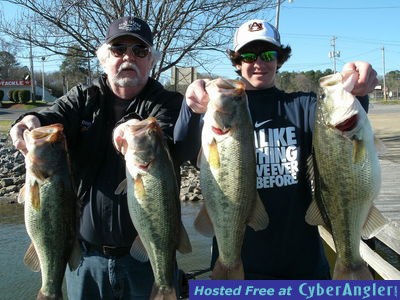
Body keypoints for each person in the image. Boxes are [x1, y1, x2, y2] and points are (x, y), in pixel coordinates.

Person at [174, 19, 378, 279]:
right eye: (248, 55)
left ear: (279, 59)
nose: (258, 63)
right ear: (237, 62)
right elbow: (180, 149)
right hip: (238, 262)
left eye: (268, 54)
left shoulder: (303, 107)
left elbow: (342, 133)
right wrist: (190, 109)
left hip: (303, 266)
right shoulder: (216, 114)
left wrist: (358, 90)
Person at [10, 16, 183, 299]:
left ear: (151, 60)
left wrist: (134, 130)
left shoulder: (166, 103)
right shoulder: (83, 98)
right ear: (104, 58)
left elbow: (163, 131)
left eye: (139, 51)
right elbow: (51, 116)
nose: (128, 57)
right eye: (118, 49)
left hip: (146, 260)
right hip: (85, 260)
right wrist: (30, 119)